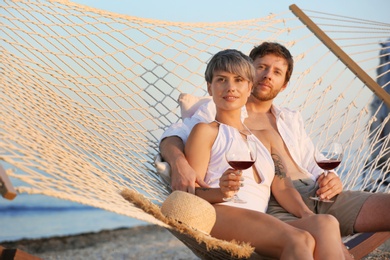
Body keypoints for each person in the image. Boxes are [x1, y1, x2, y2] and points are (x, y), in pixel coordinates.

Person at [159, 42, 390, 240]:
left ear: (284, 84)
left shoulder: (290, 118)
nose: (268, 75)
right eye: (261, 67)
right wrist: (179, 163)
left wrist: (332, 180)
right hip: (272, 200)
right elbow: (174, 135)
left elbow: (313, 160)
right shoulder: (220, 108)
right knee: (309, 237)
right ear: (248, 72)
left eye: (277, 72)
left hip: (316, 192)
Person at [181, 48, 346, 259]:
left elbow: (283, 186)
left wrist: (307, 215)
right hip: (221, 212)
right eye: (221, 80)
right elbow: (190, 193)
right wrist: (221, 192)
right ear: (209, 87)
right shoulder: (206, 131)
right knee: (299, 240)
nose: (230, 87)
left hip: (257, 219)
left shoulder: (265, 138)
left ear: (250, 87)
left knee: (326, 223)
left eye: (238, 80)